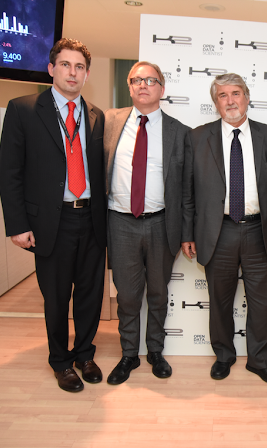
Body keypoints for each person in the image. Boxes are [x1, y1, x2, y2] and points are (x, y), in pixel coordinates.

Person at [0, 38, 106, 393]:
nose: (72, 72)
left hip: (91, 220)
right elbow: (9, 171)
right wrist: (17, 225)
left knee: (90, 294)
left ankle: (85, 355)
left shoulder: (96, 115)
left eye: (79, 67)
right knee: (56, 298)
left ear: (86, 74)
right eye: (65, 65)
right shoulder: (23, 109)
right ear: (51, 68)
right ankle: (60, 361)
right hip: (51, 222)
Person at [182, 73, 267, 385]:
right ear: (216, 103)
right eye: (223, 95)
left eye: (236, 93)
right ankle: (224, 356)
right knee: (220, 300)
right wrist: (187, 233)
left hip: (259, 231)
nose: (230, 101)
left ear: (247, 97)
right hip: (218, 231)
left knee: (262, 302)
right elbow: (188, 191)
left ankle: (260, 361)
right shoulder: (198, 137)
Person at [104, 61, 192, 385]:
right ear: (129, 87)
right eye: (137, 80)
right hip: (120, 223)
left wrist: (187, 232)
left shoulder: (180, 132)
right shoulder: (109, 122)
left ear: (162, 89)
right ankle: (129, 353)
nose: (143, 85)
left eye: (150, 80)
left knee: (157, 293)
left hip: (162, 225)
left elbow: (187, 189)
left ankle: (155, 350)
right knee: (127, 296)